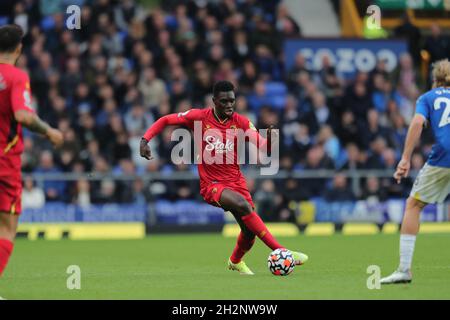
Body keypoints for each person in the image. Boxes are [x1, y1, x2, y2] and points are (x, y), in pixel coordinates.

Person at [140, 81, 308, 275]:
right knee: (244, 206)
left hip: (236, 182)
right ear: (214, 101)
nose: (229, 105)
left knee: (249, 231)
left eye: (232, 101)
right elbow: (165, 120)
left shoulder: (242, 123)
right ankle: (282, 251)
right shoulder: (199, 117)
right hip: (212, 184)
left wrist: (270, 140)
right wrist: (145, 139)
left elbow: (263, 146)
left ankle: (235, 261)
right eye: (224, 101)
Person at [0, 24, 63, 277]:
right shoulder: (16, 77)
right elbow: (23, 116)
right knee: (6, 228)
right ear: (19, 48)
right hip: (5, 162)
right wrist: (49, 131)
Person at [380, 59, 450, 284]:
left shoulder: (427, 98)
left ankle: (404, 270)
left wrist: (405, 158)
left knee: (413, 205)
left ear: (434, 80)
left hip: (443, 157)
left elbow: (417, 123)